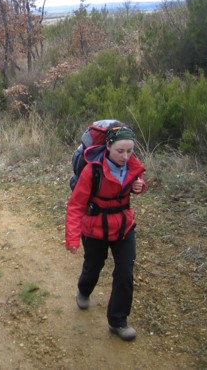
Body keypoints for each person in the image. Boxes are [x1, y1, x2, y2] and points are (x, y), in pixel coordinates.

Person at [65, 124, 146, 341]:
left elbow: (136, 182)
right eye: (120, 151)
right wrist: (72, 237)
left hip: (123, 226)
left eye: (130, 151)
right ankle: (83, 290)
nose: (125, 156)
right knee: (93, 266)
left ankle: (118, 321)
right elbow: (76, 205)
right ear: (108, 146)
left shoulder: (132, 166)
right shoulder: (93, 170)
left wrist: (140, 186)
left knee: (125, 273)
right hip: (95, 227)